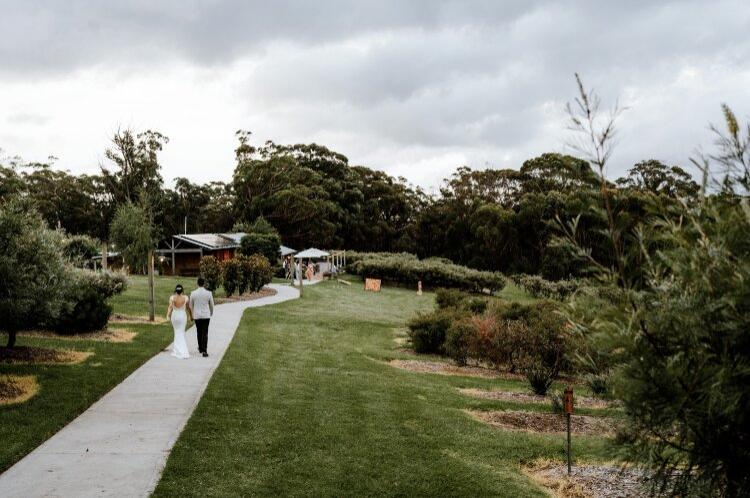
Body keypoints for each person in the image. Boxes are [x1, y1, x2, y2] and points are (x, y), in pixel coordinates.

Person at [189, 277, 214, 357]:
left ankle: (200, 347)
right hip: (206, 315)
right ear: (204, 284)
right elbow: (212, 305)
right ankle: (204, 350)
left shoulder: (193, 293)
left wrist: (192, 314)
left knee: (199, 332)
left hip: (197, 315)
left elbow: (190, 305)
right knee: (205, 332)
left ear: (197, 283)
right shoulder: (209, 293)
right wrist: (211, 313)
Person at [167, 284, 191, 359]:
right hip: (182, 316)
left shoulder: (172, 298)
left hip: (175, 316)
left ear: (176, 290)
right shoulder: (186, 298)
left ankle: (177, 350)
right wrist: (191, 316)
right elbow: (188, 308)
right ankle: (182, 350)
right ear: (182, 291)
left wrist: (168, 315)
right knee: (181, 331)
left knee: (176, 332)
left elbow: (170, 307)